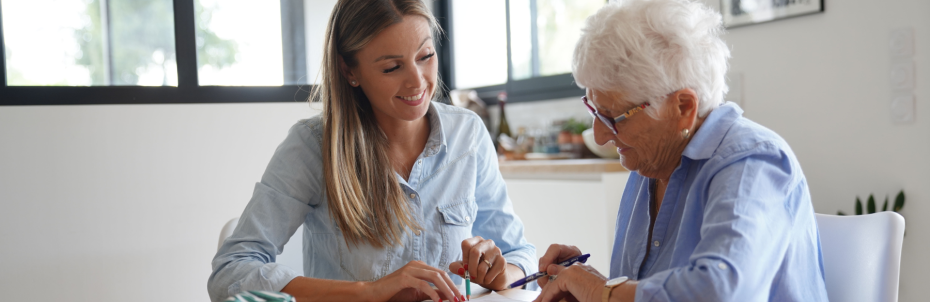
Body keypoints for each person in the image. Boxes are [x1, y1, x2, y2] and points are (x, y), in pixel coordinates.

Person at [207, 1, 535, 301]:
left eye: (425, 56)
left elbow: (520, 255)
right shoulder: (312, 147)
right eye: (392, 67)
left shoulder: (469, 134)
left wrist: (501, 273)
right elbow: (230, 273)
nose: (417, 81)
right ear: (350, 71)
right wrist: (369, 292)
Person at [533, 0, 829, 301]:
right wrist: (587, 286)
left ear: (683, 107)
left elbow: (721, 291)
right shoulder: (649, 163)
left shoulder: (752, 161)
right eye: (595, 111)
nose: (599, 136)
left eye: (612, 116)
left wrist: (602, 294)